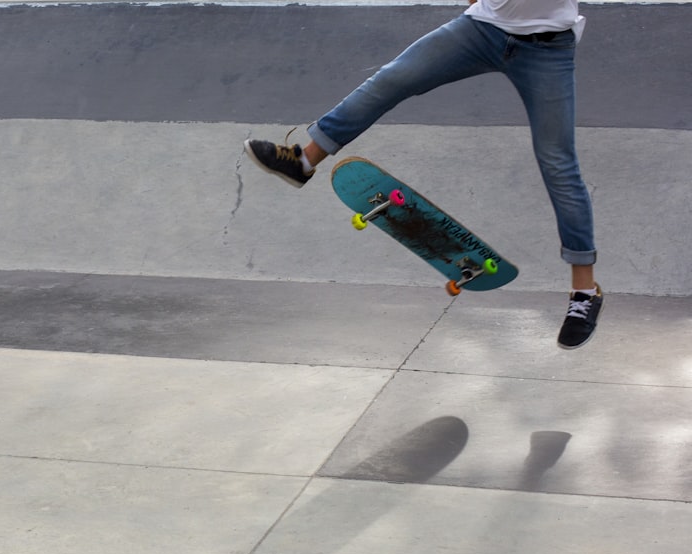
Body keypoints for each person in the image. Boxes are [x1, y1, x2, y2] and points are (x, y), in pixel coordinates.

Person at [244, 0, 602, 349]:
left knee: (558, 162)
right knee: (394, 77)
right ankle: (303, 160)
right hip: (483, 28)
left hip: (547, 47)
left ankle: (584, 292)